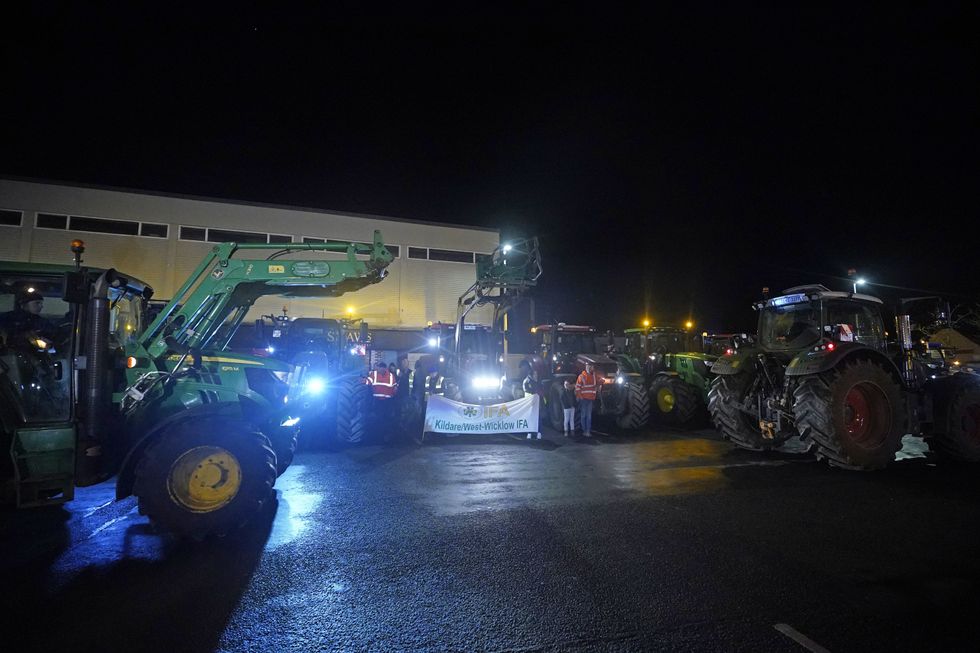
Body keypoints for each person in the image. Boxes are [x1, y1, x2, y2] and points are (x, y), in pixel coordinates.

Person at [366, 361, 398, 440]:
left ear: (385, 368)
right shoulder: (374, 374)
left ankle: (384, 436)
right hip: (378, 401)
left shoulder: (391, 376)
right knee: (379, 418)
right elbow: (367, 382)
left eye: (383, 368)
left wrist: (395, 391)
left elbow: (395, 388)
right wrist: (362, 380)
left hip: (387, 402)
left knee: (386, 419)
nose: (381, 370)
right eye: (380, 368)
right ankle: (379, 436)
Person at [575, 362, 601, 437]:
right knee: (584, 415)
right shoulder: (582, 376)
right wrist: (580, 396)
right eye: (589, 366)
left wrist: (602, 381)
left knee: (588, 416)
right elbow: (578, 387)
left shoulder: (594, 376)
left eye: (591, 366)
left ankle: (587, 431)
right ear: (587, 367)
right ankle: (584, 430)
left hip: (590, 399)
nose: (591, 368)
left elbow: (599, 381)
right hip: (584, 399)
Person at [522, 367, 541, 440]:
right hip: (530, 403)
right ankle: (529, 433)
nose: (536, 375)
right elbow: (527, 390)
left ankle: (539, 433)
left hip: (536, 403)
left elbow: (540, 390)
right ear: (531, 374)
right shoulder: (527, 381)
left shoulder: (536, 381)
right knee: (530, 417)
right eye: (535, 374)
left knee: (538, 418)